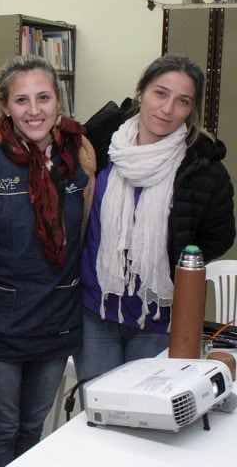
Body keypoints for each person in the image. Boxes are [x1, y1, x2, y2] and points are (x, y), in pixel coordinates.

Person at [0, 55, 95, 467]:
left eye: (44, 97)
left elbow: (86, 230)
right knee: (2, 426)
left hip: (56, 317)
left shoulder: (81, 152)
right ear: (5, 106)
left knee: (34, 426)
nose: (34, 110)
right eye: (21, 100)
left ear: (60, 100)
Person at [76, 54, 235, 382]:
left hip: (160, 318)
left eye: (182, 101)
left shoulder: (204, 170)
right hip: (94, 310)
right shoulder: (99, 145)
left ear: (192, 109)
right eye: (160, 93)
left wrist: (170, 259)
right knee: (99, 413)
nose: (167, 109)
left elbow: (218, 237)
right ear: (141, 92)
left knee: (147, 416)